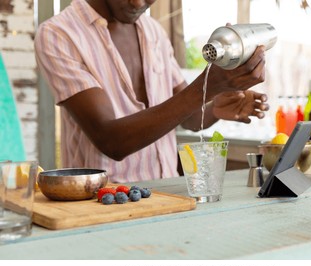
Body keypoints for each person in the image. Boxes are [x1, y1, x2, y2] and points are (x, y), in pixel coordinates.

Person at [34, 0, 269, 183]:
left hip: (167, 197)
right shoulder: (59, 34)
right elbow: (111, 141)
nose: (138, 4)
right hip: (102, 206)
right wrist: (208, 86)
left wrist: (215, 107)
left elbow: (189, 118)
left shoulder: (153, 31)